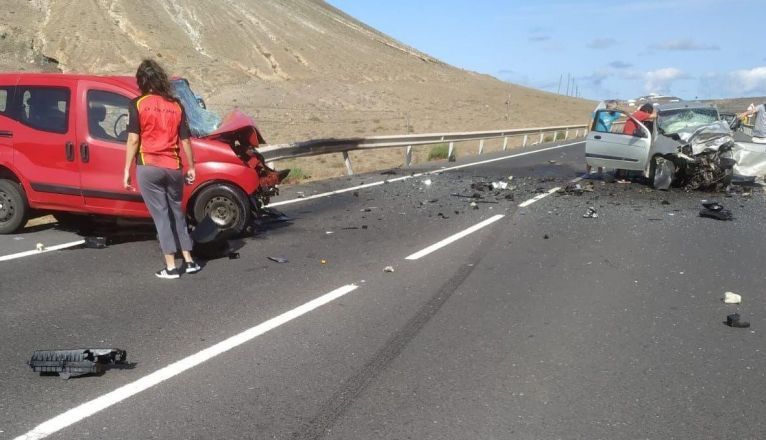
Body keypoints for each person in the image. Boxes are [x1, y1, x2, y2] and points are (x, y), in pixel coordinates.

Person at [123, 59, 201, 279]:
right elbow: (185, 140)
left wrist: (127, 169)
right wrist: (192, 166)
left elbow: (133, 140)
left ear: (141, 80)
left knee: (161, 216)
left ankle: (170, 266)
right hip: (174, 166)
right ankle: (189, 260)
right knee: (177, 212)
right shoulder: (176, 105)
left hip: (149, 166)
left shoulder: (138, 104)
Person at [587, 100, 620, 176]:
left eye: (615, 107)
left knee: (601, 155)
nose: (613, 109)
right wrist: (590, 133)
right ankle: (587, 172)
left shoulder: (614, 114)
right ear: (608, 106)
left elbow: (623, 114)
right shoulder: (600, 112)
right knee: (591, 154)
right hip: (596, 135)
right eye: (612, 107)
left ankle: (600, 173)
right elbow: (591, 121)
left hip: (605, 137)